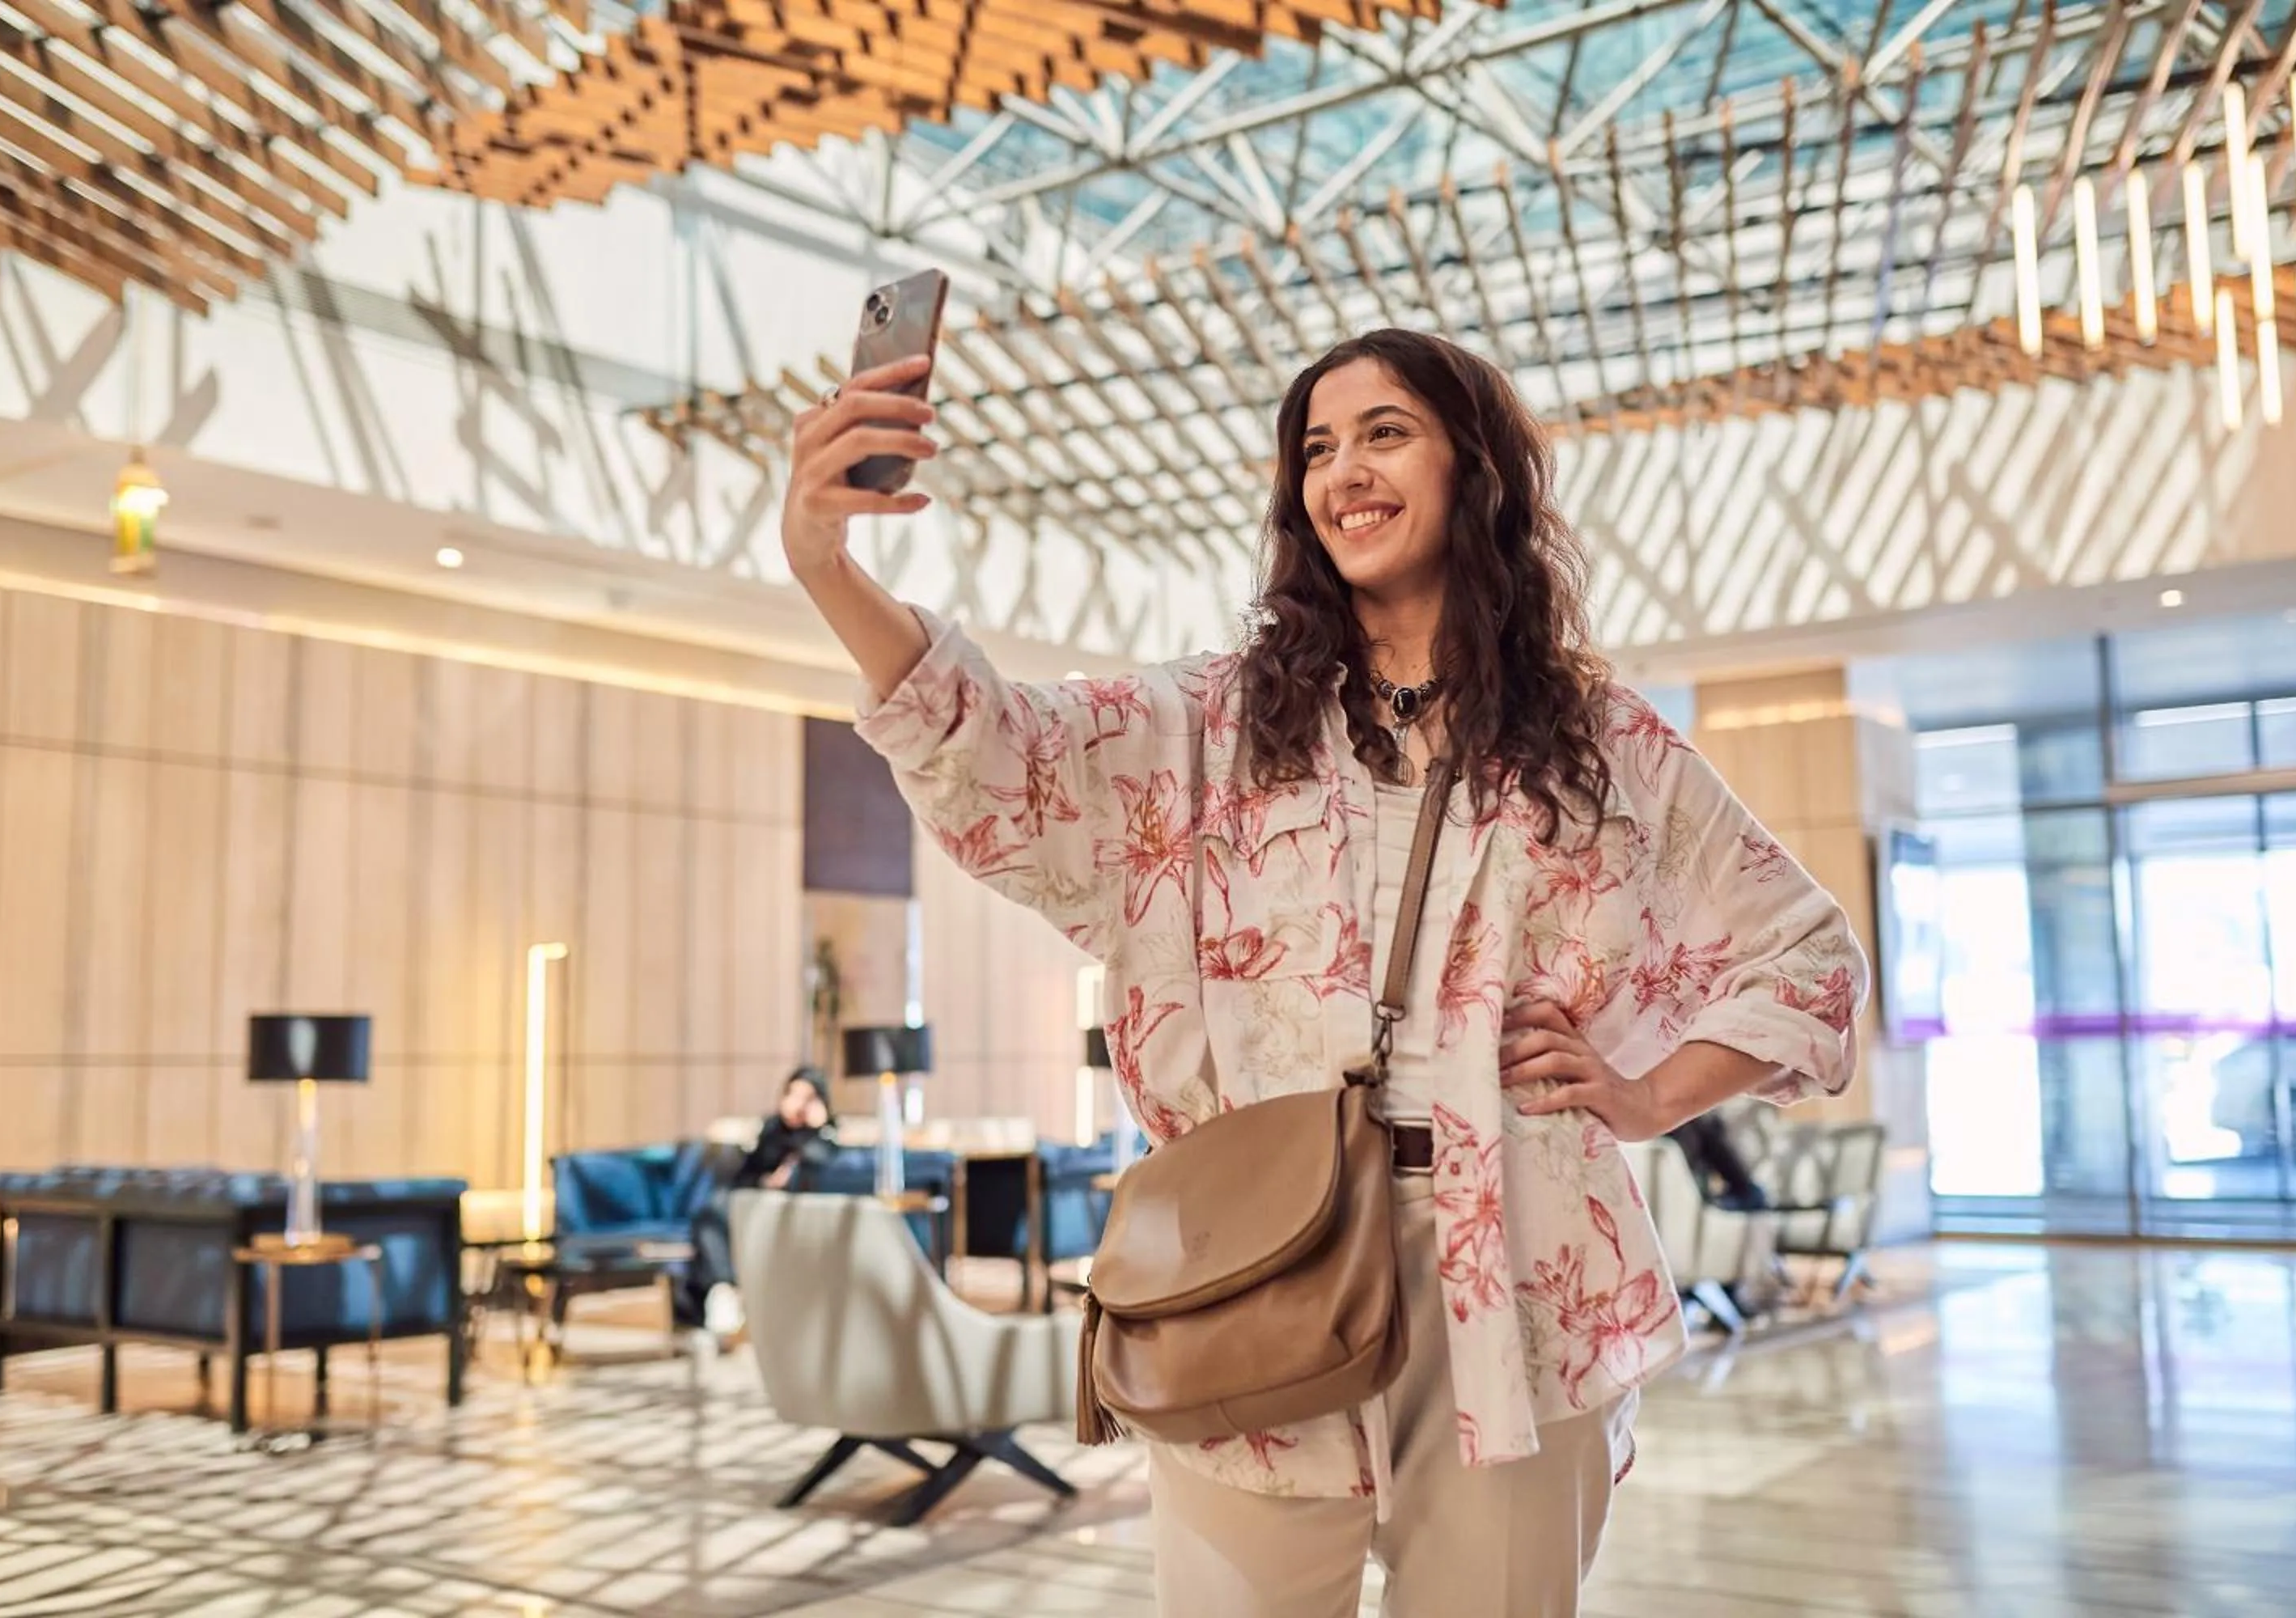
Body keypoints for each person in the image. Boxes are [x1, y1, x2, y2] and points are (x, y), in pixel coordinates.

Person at [782, 327, 1867, 1618]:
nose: (1343, 470)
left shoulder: (1604, 742)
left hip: (1518, 1267)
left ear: (1479, 466)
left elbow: (1811, 959)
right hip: (1253, 1264)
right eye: (1316, 447)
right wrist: (824, 562)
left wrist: (1643, 1094)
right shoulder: (1210, 724)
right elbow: (1000, 752)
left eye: (1386, 432)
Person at [683, 1066, 837, 1337]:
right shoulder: (771, 1130)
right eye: (793, 1095)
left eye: (807, 1097)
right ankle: (722, 1289)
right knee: (711, 1212)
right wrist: (766, 1181)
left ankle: (724, 1291)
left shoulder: (826, 1136)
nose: (798, 1104)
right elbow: (745, 1175)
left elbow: (822, 1169)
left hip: (796, 1214)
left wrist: (818, 1129)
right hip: (755, 1204)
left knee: (718, 1209)